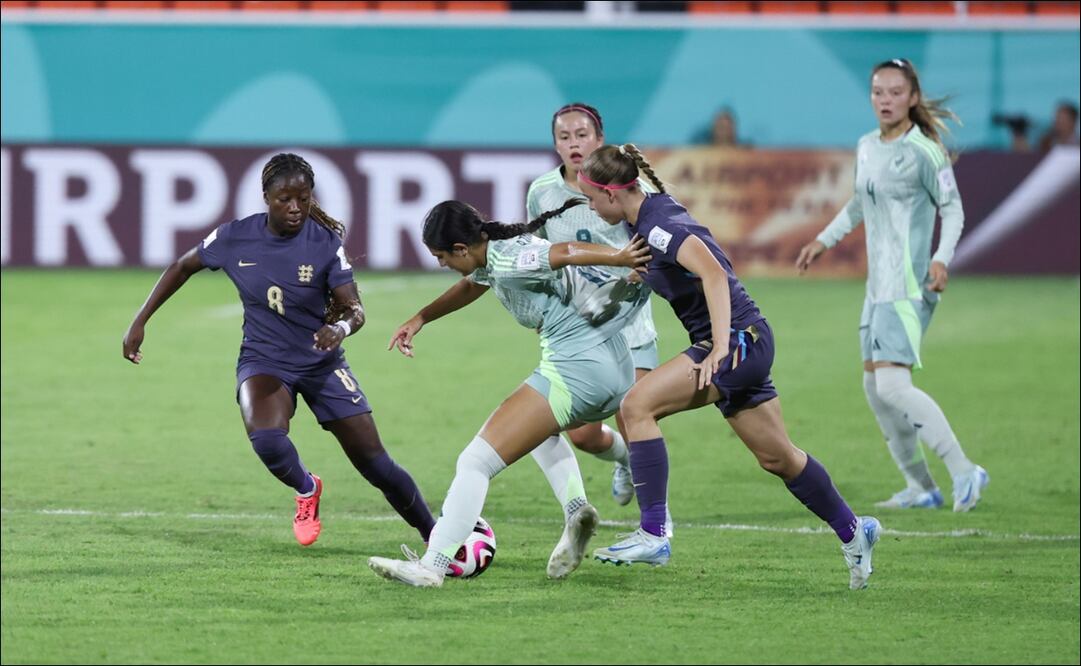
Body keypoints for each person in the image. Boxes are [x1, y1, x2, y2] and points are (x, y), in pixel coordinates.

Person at [577, 143, 881, 591]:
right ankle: (855, 531)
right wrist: (620, 287)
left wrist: (719, 345)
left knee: (636, 406)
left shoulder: (657, 225)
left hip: (736, 342)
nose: (588, 204)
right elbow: (665, 271)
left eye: (590, 196)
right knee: (778, 458)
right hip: (748, 341)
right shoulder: (642, 221)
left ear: (610, 193)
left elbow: (714, 273)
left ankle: (654, 532)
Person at [122, 152, 437, 547]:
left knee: (375, 465)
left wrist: (339, 327)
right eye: (284, 199)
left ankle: (436, 535)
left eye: (303, 199)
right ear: (265, 198)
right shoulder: (234, 237)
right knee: (268, 439)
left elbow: (356, 309)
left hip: (322, 365)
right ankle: (307, 489)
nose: (295, 208)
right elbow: (184, 266)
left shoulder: (324, 243)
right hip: (264, 360)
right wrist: (140, 319)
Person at [367, 199, 653, 587]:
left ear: (461, 249)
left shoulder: (509, 259)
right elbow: (473, 285)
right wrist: (421, 318)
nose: (441, 265)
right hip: (612, 363)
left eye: (442, 257)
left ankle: (432, 566)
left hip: (578, 368)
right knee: (540, 431)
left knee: (475, 462)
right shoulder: (493, 256)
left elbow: (563, 252)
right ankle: (581, 504)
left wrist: (619, 257)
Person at [795, 58, 989, 513]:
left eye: (895, 92)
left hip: (909, 286)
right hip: (876, 288)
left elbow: (954, 209)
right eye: (878, 91)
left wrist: (942, 259)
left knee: (894, 387)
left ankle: (965, 470)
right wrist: (823, 240)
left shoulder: (926, 150)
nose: (885, 100)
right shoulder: (866, 146)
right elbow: (859, 203)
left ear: (913, 98)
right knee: (874, 388)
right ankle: (921, 486)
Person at [526, 102, 663, 518]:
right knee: (583, 436)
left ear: (599, 139)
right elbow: (538, 251)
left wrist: (639, 275)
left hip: (631, 325)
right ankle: (622, 460)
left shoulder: (630, 187)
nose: (573, 144)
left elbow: (658, 244)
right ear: (554, 144)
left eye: (581, 135)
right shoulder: (542, 192)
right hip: (579, 329)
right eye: (564, 137)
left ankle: (656, 524)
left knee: (634, 415)